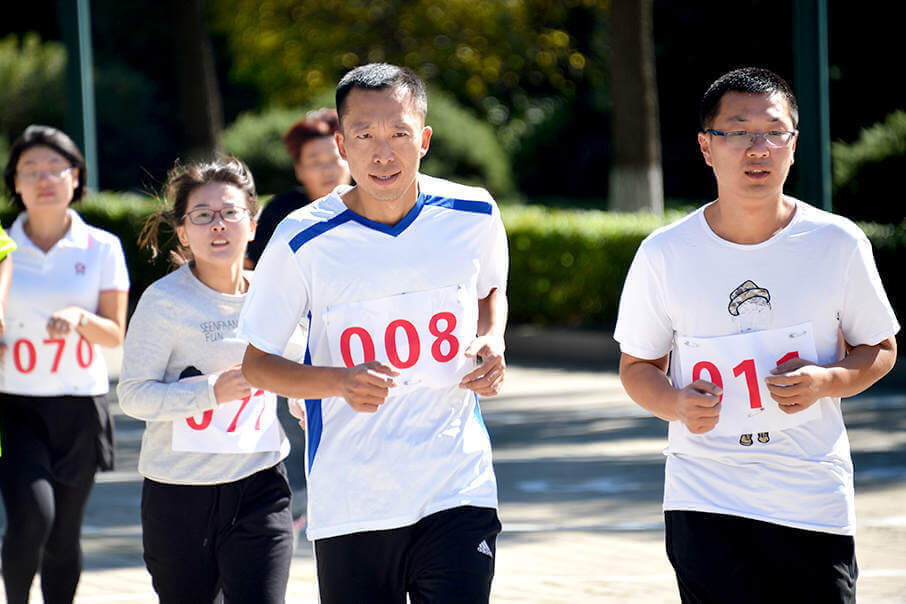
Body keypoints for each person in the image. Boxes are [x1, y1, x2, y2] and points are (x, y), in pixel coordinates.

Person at [614, 67, 899, 603]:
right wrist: (675, 403)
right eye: (739, 132)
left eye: (773, 132)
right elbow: (637, 368)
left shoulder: (837, 242)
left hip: (811, 497)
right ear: (706, 146)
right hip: (704, 496)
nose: (758, 148)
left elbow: (880, 348)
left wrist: (828, 380)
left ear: (794, 145)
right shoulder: (664, 253)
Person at [239, 63, 508, 603]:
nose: (383, 153)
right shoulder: (301, 238)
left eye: (399, 134)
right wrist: (339, 382)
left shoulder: (473, 212)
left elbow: (490, 292)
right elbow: (257, 364)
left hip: (457, 484)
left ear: (424, 139)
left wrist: (493, 339)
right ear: (342, 144)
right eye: (364, 136)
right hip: (353, 500)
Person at [116, 157, 293, 603]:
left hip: (261, 485)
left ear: (252, 225)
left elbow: (302, 365)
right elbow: (133, 396)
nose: (218, 224)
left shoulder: (275, 296)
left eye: (230, 212)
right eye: (202, 215)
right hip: (180, 495)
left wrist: (306, 400)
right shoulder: (163, 303)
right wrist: (211, 392)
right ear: (182, 232)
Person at [0, 125, 130, 603]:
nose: (44, 179)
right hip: (15, 407)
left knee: (63, 533)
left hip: (81, 407)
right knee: (32, 517)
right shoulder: (3, 247)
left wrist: (80, 318)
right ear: (14, 183)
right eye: (30, 170)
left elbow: (115, 333)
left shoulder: (102, 247)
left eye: (56, 168)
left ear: (76, 177)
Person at [245, 107, 351, 267]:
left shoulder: (373, 204)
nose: (327, 170)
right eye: (316, 162)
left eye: (334, 159)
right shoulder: (280, 214)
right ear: (298, 170)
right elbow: (253, 264)